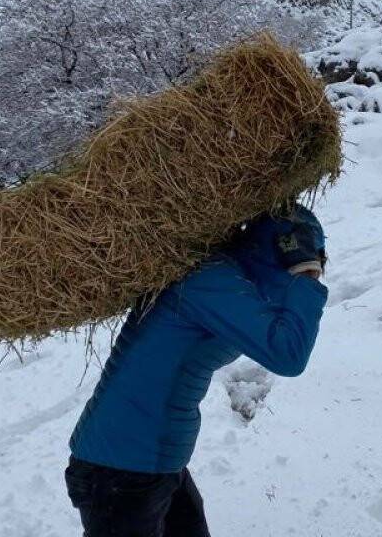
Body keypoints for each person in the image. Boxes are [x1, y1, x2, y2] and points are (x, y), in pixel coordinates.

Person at [65, 205, 329, 536]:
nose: (315, 268)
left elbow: (277, 325)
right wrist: (305, 278)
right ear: (277, 250)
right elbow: (288, 354)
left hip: (153, 463)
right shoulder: (209, 281)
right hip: (118, 467)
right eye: (306, 258)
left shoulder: (231, 281)